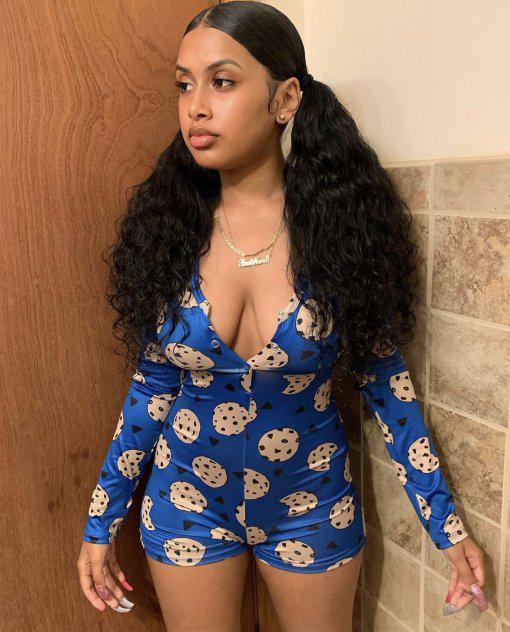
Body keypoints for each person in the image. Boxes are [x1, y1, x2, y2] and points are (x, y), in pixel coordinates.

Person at [76, 2, 487, 630]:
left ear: (286, 98)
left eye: (222, 81)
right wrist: (100, 524)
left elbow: (387, 386)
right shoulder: (169, 230)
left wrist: (446, 529)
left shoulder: (338, 230)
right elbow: (151, 389)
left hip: (311, 504)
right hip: (186, 502)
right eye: (184, 85)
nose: (195, 107)